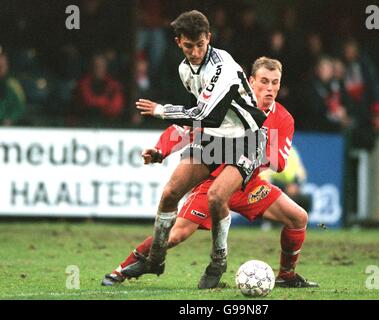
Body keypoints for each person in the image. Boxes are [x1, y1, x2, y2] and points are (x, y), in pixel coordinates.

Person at [102, 57, 318, 289]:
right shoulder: (227, 104)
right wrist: (160, 150)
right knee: (176, 234)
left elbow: (279, 164)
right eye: (264, 81)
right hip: (213, 182)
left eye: (275, 83)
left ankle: (286, 275)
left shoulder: (283, 119)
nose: (270, 88)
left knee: (298, 217)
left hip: (248, 185)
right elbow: (183, 130)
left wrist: (259, 141)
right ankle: (122, 269)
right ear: (250, 81)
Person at [133, 10, 267, 289]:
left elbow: (208, 115)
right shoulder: (185, 69)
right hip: (214, 138)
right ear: (178, 42)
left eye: (200, 45)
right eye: (188, 46)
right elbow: (200, 119)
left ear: (209, 38)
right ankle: (155, 257)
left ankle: (218, 261)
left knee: (217, 197)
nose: (195, 52)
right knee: (170, 192)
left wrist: (161, 111)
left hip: (247, 138)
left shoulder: (223, 67)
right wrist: (163, 149)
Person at [0, 49, 26, 126]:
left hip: (7, 126)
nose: (0, 68)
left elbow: (20, 105)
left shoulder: (13, 84)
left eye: (2, 66)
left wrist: (10, 118)